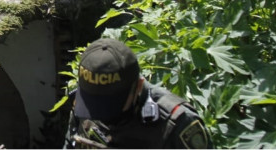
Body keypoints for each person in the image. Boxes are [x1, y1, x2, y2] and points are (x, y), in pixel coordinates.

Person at [65, 38, 211, 148]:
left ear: (139, 86)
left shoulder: (177, 124)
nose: (102, 115)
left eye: (110, 105)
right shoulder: (82, 105)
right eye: (94, 105)